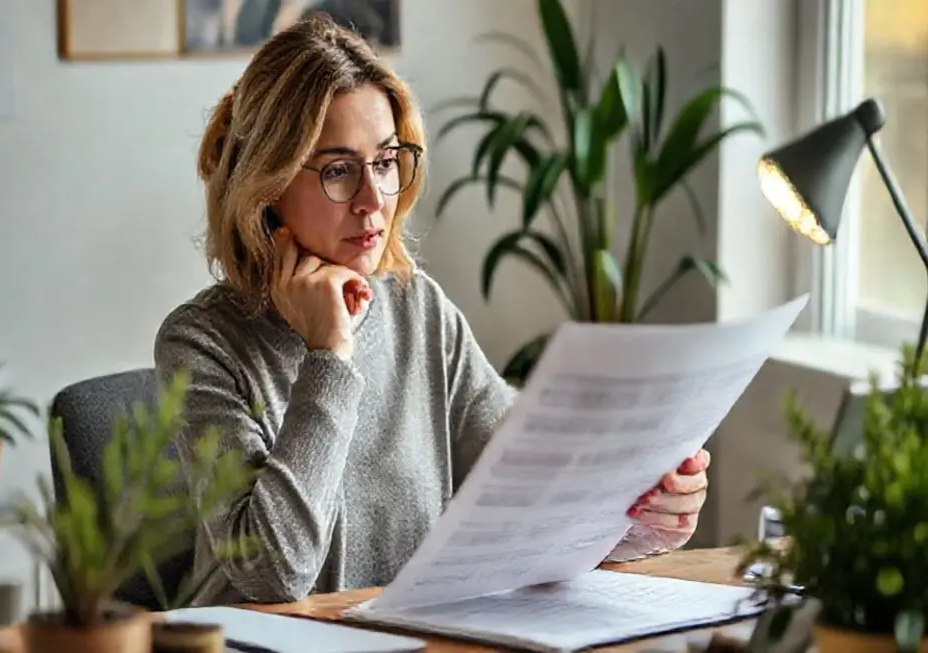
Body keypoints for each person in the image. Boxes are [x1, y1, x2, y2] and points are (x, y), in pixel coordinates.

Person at [154, 14, 712, 607]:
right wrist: (329, 356)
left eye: (387, 162)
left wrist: (642, 512)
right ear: (268, 186)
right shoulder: (200, 342)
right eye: (340, 170)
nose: (374, 201)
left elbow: (534, 494)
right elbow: (272, 574)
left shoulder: (417, 308)